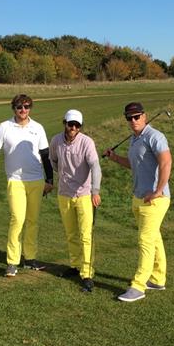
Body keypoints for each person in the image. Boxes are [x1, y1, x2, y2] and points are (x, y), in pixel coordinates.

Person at [0, 94, 54, 276]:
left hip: (36, 180)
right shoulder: (4, 127)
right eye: (19, 107)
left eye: (27, 107)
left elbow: (45, 155)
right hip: (15, 180)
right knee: (17, 219)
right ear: (14, 108)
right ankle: (12, 261)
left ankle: (30, 258)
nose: (23, 110)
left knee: (33, 221)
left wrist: (50, 180)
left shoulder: (38, 128)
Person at [103, 102, 172, 302]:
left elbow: (166, 162)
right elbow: (134, 165)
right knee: (154, 238)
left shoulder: (155, 136)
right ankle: (158, 279)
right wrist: (115, 158)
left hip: (155, 200)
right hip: (139, 198)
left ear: (144, 116)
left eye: (136, 116)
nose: (133, 121)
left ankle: (138, 286)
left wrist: (158, 191)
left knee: (145, 240)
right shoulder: (134, 139)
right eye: (129, 118)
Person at [49, 109, 102, 292]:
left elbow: (95, 166)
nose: (73, 128)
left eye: (77, 125)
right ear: (64, 123)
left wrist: (95, 190)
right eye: (70, 124)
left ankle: (87, 273)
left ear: (80, 127)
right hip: (64, 194)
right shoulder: (56, 140)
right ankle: (75, 265)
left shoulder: (87, 142)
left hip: (84, 195)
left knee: (86, 235)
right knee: (70, 233)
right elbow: (53, 161)